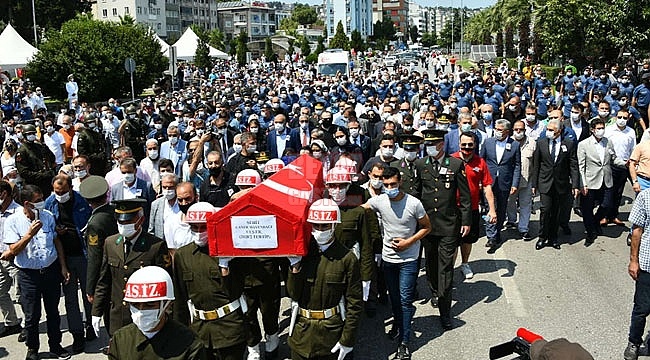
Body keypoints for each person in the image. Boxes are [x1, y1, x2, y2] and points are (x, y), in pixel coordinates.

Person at [359, 168, 431, 359]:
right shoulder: (379, 201)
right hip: (389, 259)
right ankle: (399, 324)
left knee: (406, 300)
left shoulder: (414, 204)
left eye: (393, 184)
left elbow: (426, 227)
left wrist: (409, 241)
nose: (390, 188)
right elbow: (359, 209)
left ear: (400, 182)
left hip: (409, 259)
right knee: (395, 299)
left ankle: (404, 342)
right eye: (386, 185)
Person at [287, 199, 363, 360]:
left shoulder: (347, 258)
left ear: (334, 225)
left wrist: (347, 340)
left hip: (331, 334)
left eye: (325, 226)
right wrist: (295, 267)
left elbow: (354, 304)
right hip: (301, 333)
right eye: (316, 225)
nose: (320, 230)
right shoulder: (303, 254)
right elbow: (293, 294)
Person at [2, 185, 71, 360]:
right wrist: (29, 235)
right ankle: (32, 348)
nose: (42, 203)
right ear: (27, 204)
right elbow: (13, 250)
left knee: (53, 312)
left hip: (50, 271)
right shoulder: (13, 221)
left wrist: (63, 267)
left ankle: (56, 345)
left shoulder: (47, 216)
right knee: (32, 315)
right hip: (28, 275)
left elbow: (56, 242)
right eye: (38, 200)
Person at [173, 202, 248, 360]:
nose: (199, 232)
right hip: (199, 330)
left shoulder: (229, 252)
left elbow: (236, 291)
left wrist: (226, 267)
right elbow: (180, 298)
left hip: (229, 327)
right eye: (194, 227)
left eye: (203, 227)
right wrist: (179, 331)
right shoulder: (182, 255)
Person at [414, 129, 471, 330]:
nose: (428, 147)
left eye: (432, 143)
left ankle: (445, 312)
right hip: (428, 226)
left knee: (445, 268)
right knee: (431, 264)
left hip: (448, 225)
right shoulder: (420, 165)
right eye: (426, 143)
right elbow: (416, 194)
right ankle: (435, 291)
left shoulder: (455, 165)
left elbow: (465, 197)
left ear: (440, 144)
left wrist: (466, 221)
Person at [91, 198, 171, 338]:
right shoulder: (110, 243)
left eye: (128, 221)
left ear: (140, 220)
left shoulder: (155, 246)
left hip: (146, 315)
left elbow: (167, 286)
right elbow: (104, 281)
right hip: (117, 316)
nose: (123, 225)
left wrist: (167, 316)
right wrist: (96, 312)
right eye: (120, 222)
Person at [108, 266, 206, 359]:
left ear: (167, 304)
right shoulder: (120, 340)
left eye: (149, 305)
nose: (141, 311)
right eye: (135, 304)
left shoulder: (190, 344)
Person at [44, 175, 93, 353]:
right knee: (71, 299)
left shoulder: (82, 201)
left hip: (83, 254)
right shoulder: (50, 203)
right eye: (57, 192)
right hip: (63, 258)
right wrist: (56, 229)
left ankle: (91, 326)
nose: (60, 195)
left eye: (63, 192)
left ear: (71, 188)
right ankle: (77, 334)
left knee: (89, 295)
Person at [452, 132, 497, 279]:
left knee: (467, 239)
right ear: (459, 144)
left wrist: (492, 209)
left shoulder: (480, 162)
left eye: (470, 145)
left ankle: (465, 264)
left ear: (475, 145)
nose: (466, 147)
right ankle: (449, 270)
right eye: (463, 144)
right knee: (451, 241)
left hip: (471, 209)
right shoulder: (450, 160)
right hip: (452, 209)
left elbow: (487, 187)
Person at [530, 118, 580, 250]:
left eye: (552, 130)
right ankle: (542, 237)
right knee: (545, 210)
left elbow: (573, 165)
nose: (549, 132)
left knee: (556, 212)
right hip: (545, 182)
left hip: (561, 183)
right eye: (548, 129)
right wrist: (534, 185)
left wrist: (575, 185)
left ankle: (553, 238)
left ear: (559, 131)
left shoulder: (568, 144)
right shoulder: (541, 143)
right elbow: (536, 166)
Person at [577, 118, 626, 245]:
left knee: (607, 204)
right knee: (587, 208)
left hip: (606, 179)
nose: (601, 131)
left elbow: (614, 159)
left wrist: (626, 163)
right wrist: (582, 183)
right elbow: (581, 166)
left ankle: (595, 221)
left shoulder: (607, 142)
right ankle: (590, 231)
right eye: (598, 128)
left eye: (602, 128)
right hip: (591, 180)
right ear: (592, 130)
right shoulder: (584, 144)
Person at [480, 119, 521, 250]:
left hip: (505, 182)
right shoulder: (488, 142)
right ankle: (491, 236)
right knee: (489, 207)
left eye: (500, 130)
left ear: (507, 132)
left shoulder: (514, 145)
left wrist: (515, 183)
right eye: (496, 129)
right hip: (489, 181)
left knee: (502, 209)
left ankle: (497, 232)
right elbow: (481, 161)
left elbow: (517, 166)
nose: (497, 132)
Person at [624, 188, 650, 360]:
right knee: (642, 308)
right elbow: (636, 231)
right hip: (648, 264)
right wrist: (634, 260)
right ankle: (634, 342)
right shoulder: (646, 197)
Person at [507, 120, 536, 240]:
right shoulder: (508, 142)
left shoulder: (532, 143)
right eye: (516, 129)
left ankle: (523, 228)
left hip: (527, 180)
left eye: (521, 130)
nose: (519, 132)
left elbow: (535, 163)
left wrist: (534, 183)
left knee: (526, 204)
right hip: (511, 181)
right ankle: (512, 220)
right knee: (510, 202)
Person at [0, 180, 22, 338]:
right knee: (0, 293)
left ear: (4, 194)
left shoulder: (19, 212)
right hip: (0, 259)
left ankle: (29, 326)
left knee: (22, 296)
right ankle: (12, 323)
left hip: (15, 260)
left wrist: (11, 251)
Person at [15, 124, 57, 195]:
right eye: (29, 134)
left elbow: (52, 158)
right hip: (32, 185)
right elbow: (24, 172)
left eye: (33, 133)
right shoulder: (22, 151)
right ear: (25, 135)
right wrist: (42, 175)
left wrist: (44, 146)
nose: (31, 135)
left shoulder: (39, 146)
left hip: (45, 184)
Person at [148, 173, 179, 242]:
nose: (167, 190)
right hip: (162, 245)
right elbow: (151, 229)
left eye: (170, 187)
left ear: (177, 187)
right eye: (164, 187)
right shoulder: (156, 204)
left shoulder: (183, 203)